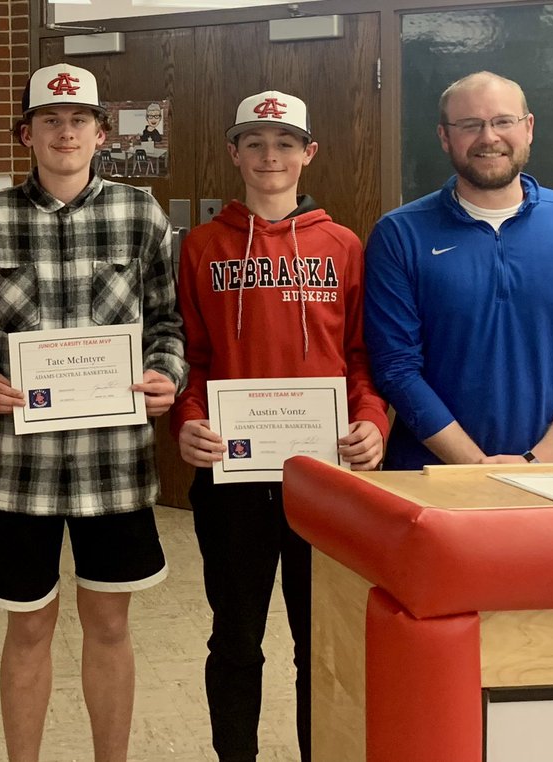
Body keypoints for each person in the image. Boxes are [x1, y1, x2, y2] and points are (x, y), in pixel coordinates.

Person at [0, 62, 186, 762]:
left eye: (79, 119)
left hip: (115, 465)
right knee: (27, 630)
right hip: (23, 469)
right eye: (49, 120)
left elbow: (169, 325)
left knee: (110, 626)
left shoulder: (140, 213)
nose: (65, 131)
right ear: (26, 133)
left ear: (102, 133)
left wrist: (165, 375)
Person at [171, 89, 388, 762]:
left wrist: (372, 421)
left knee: (316, 642)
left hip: (324, 479)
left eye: (285, 143)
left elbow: (361, 356)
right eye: (256, 143)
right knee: (234, 638)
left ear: (308, 153)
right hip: (233, 479)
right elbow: (192, 357)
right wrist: (188, 420)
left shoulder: (344, 246)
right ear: (234, 152)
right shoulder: (202, 246)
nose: (271, 156)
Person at [364, 71, 553, 470]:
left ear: (528, 128)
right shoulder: (399, 233)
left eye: (503, 121)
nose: (488, 137)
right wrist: (474, 467)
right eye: (469, 125)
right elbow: (396, 366)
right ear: (444, 136)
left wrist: (538, 463)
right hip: (430, 478)